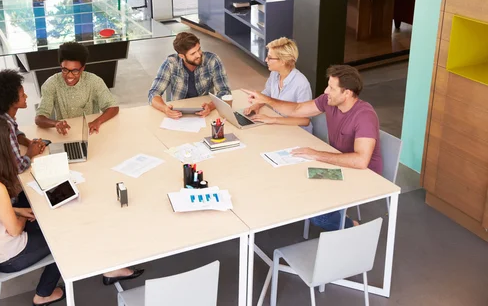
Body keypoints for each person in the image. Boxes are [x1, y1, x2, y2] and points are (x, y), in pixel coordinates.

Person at [0, 117, 144, 306]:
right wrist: (26, 215)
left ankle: (107, 266)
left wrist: (17, 210)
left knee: (55, 217)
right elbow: (15, 230)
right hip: (10, 256)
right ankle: (44, 294)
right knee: (66, 236)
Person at [243, 65, 382, 230]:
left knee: (319, 216)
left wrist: (316, 154)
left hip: (363, 175)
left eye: (331, 88)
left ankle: (351, 226)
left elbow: (360, 161)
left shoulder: (364, 116)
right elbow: (297, 109)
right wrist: (265, 99)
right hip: (336, 164)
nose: (325, 91)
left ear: (347, 93)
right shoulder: (328, 101)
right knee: (291, 180)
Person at [35, 42, 119, 135]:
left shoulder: (94, 81)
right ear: (60, 66)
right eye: (65, 70)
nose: (69, 75)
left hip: (90, 131)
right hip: (67, 133)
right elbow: (39, 119)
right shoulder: (51, 84)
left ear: (82, 68)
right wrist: (56, 123)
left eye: (75, 71)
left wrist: (97, 121)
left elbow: (113, 107)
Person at [148, 32, 231, 119]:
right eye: (193, 53)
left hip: (204, 111)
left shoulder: (213, 60)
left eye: (199, 49)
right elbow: (153, 93)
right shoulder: (170, 63)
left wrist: (210, 106)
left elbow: (225, 91)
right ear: (181, 56)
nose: (199, 55)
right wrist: (165, 109)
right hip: (178, 113)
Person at [242, 38, 313, 133]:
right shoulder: (275, 74)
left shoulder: (301, 84)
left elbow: (305, 120)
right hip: (280, 127)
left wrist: (273, 119)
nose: (266, 60)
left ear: (283, 61)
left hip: (298, 132)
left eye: (270, 58)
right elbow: (267, 94)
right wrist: (256, 105)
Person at [0, 69, 45, 174]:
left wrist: (27, 142)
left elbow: (15, 132)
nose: (26, 97)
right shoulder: (5, 128)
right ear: (11, 101)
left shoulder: (1, 117)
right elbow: (18, 167)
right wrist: (30, 153)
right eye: (22, 95)